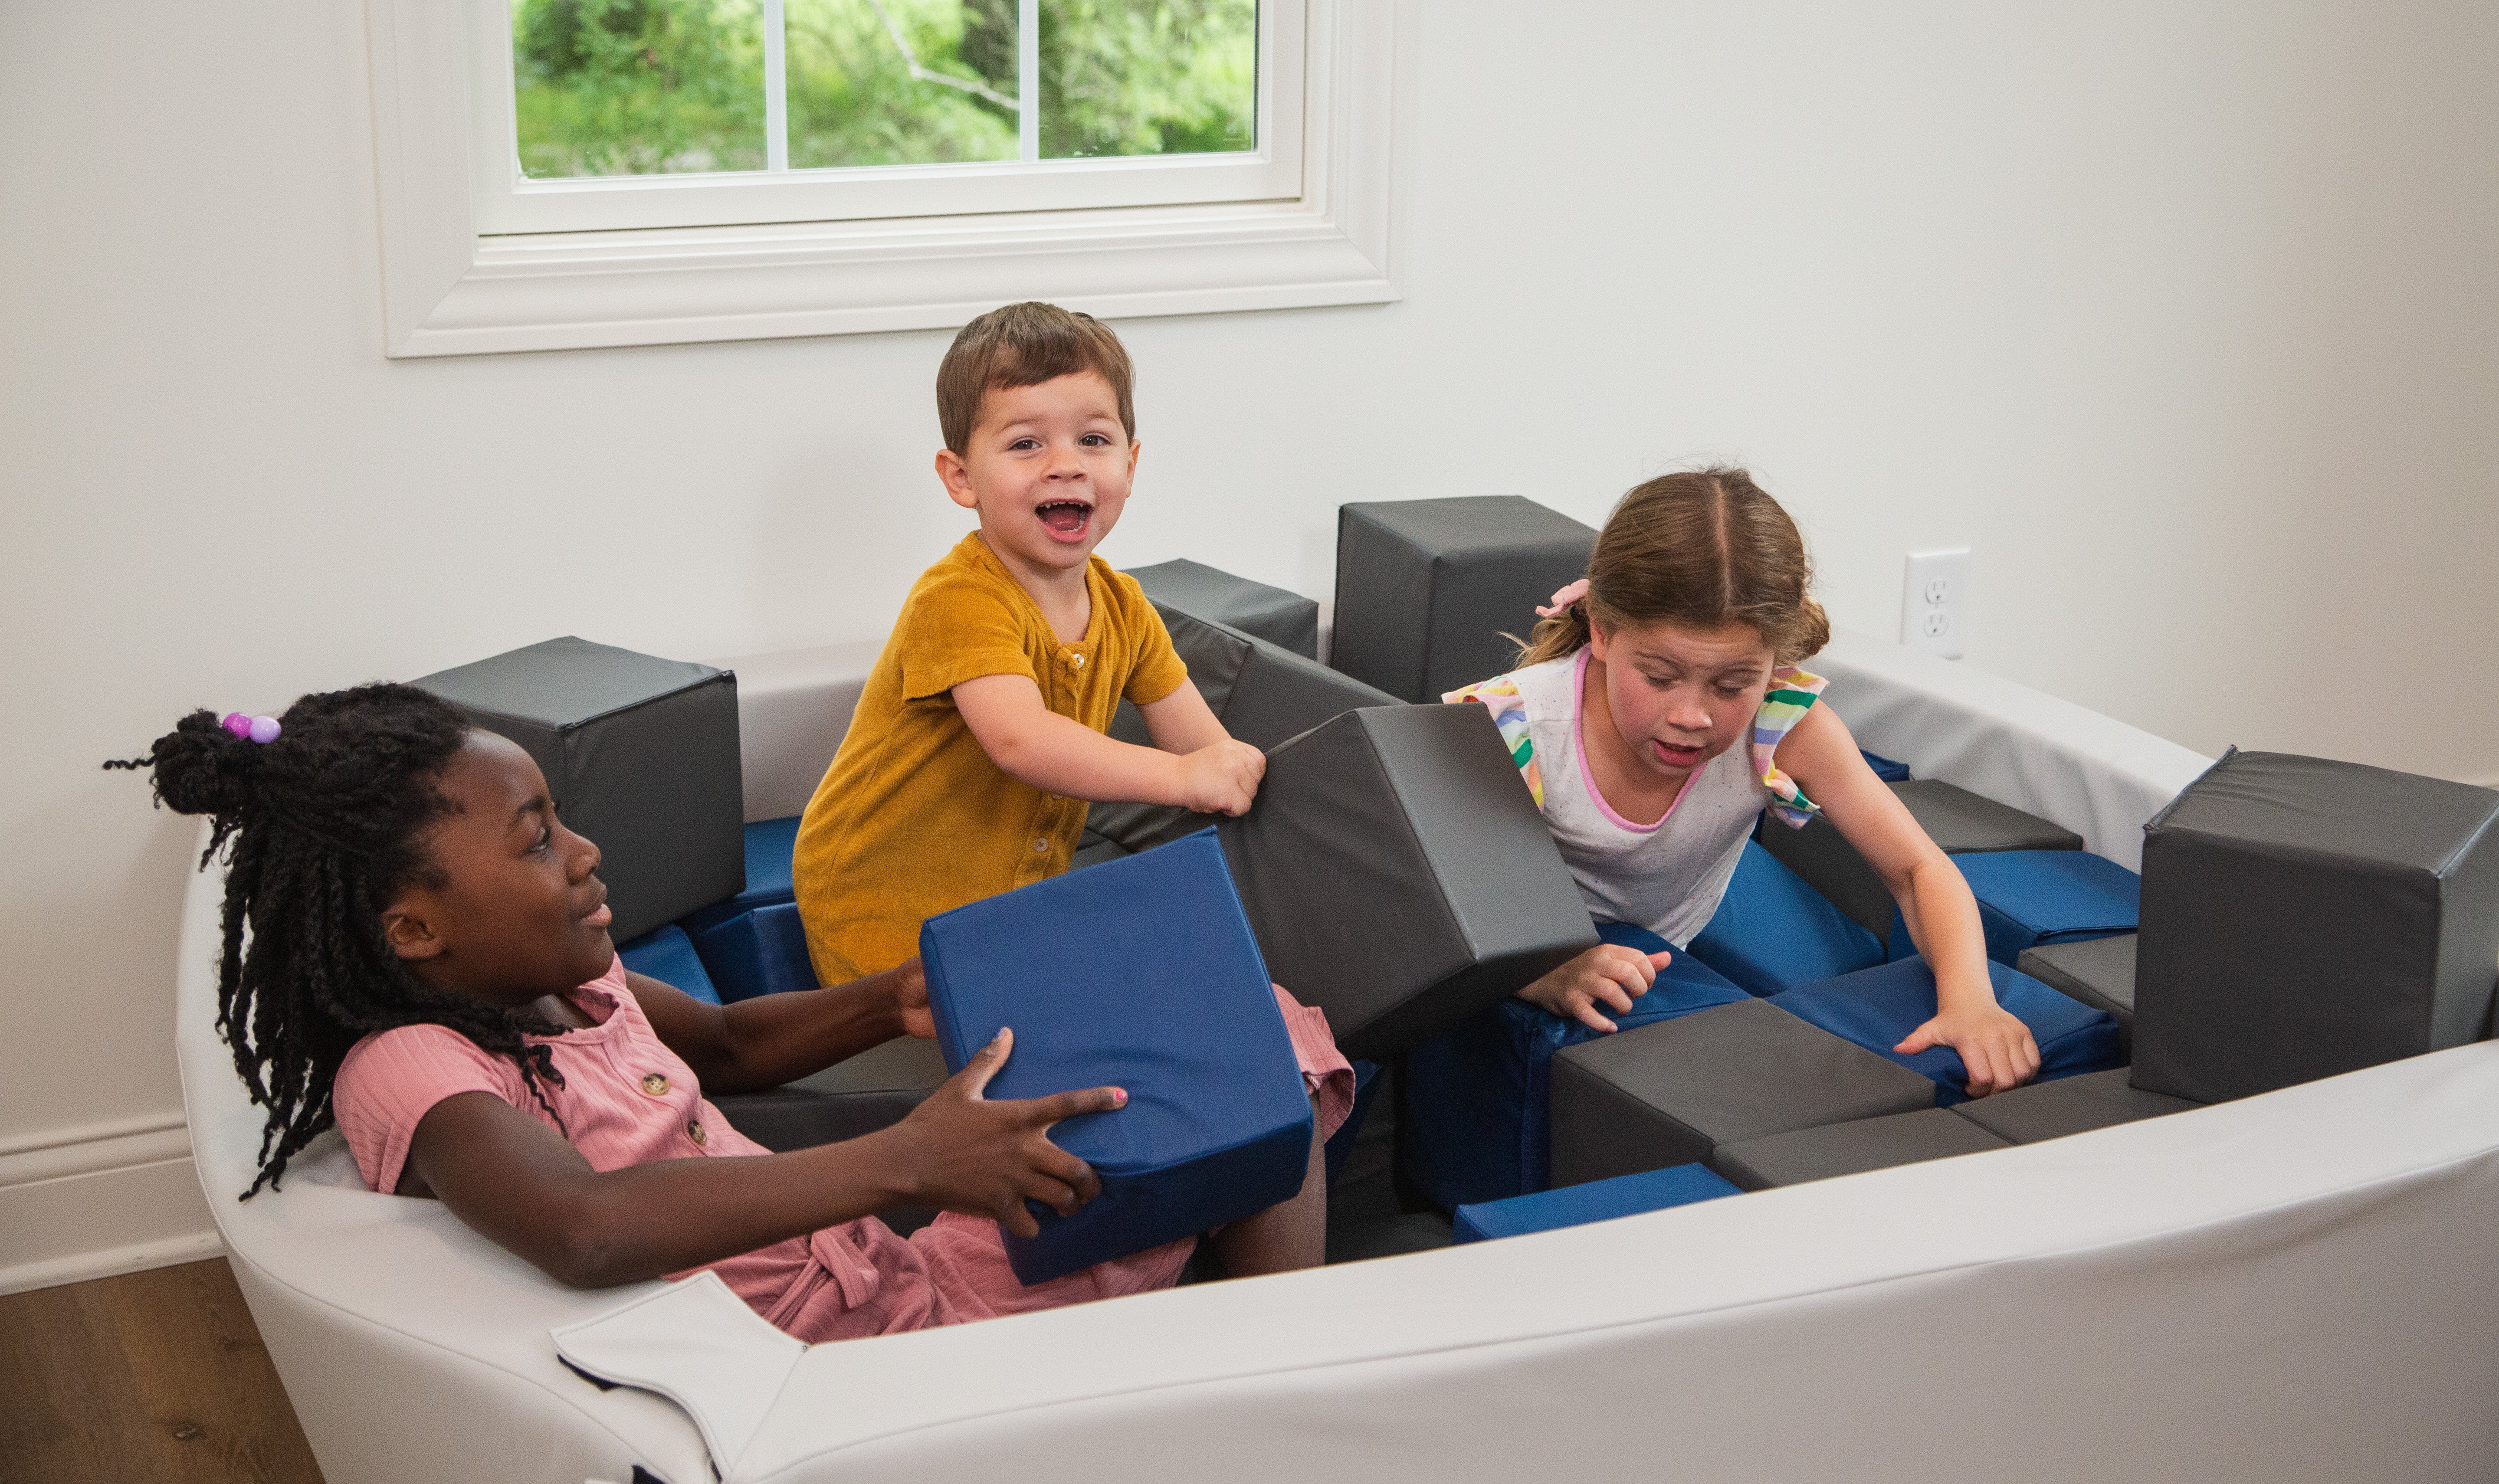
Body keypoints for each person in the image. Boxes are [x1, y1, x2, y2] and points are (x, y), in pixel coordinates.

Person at [111, 686, 1351, 1341]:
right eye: (541, 842)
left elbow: (732, 1044)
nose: (589, 855)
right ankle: (1245, 1373)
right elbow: (587, 1225)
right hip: (847, 1364)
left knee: (1265, 1032)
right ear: (414, 932)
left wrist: (892, 1002)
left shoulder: (569, 992)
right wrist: (905, 1160)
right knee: (1229, 1087)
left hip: (899, 1274)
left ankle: (1250, 1347)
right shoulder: (410, 1068)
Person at [1446, 468, 2040, 1096]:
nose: (1692, 716)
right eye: (1659, 676)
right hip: (1550, 921)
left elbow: (1920, 871)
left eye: (1731, 685)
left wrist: (1972, 1001)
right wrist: (1543, 971)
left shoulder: (1784, 724)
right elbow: (1436, 901)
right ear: (1600, 630)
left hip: (1692, 902)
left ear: (1774, 665)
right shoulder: (1511, 729)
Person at [792, 301, 1267, 984]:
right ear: (961, 478)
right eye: (1025, 444)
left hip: (1008, 897)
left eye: (1094, 441)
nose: (1065, 466)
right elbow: (1021, 741)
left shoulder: (1126, 608)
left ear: (1131, 466)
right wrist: (1182, 781)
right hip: (884, 905)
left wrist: (1232, 769)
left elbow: (1203, 744)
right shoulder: (959, 599)